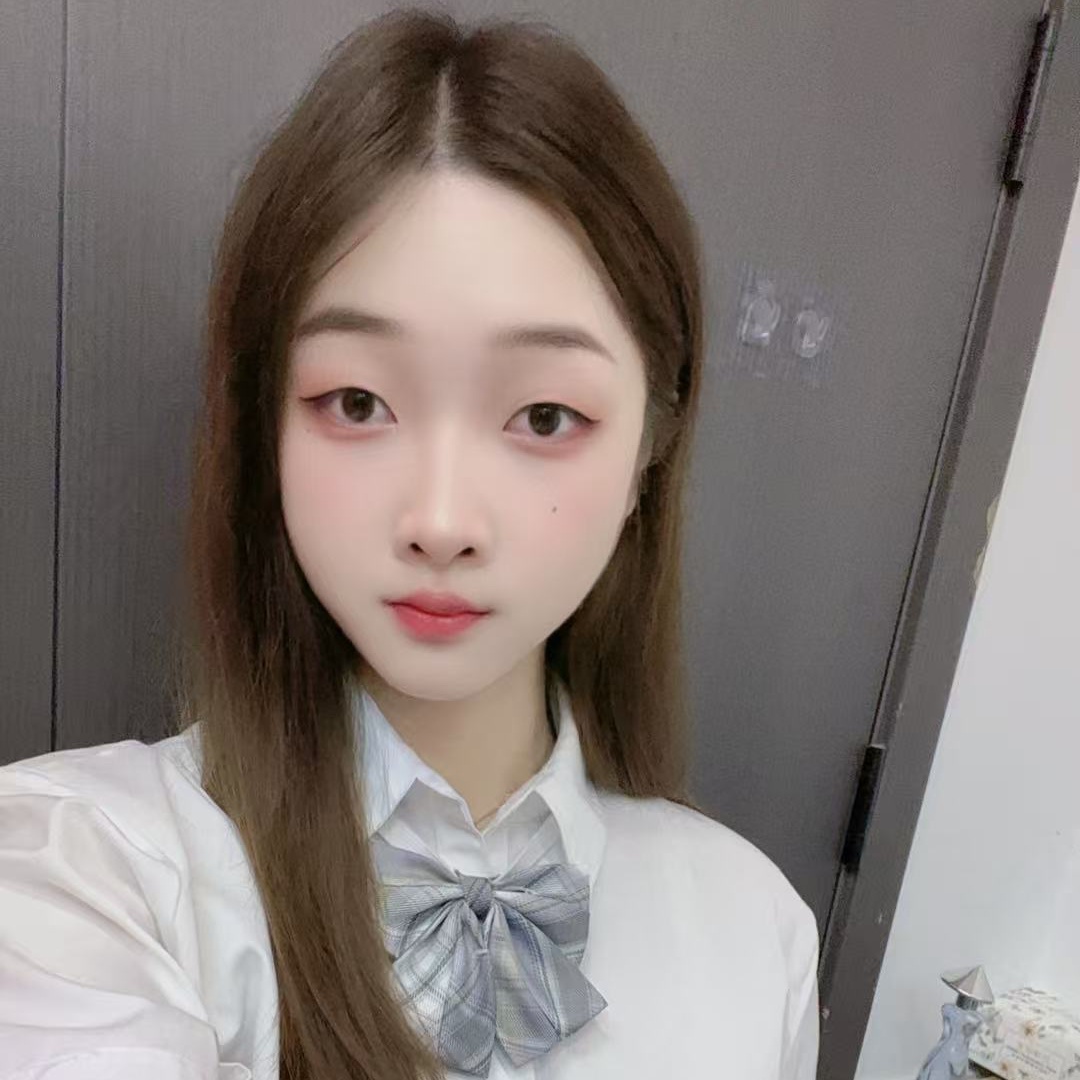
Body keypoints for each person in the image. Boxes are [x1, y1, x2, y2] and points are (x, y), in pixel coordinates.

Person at [0, 8, 819, 1080]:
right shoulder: (77, 869)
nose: (440, 520)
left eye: (544, 417)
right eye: (356, 402)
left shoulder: (757, 931)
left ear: (649, 455)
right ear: (265, 427)